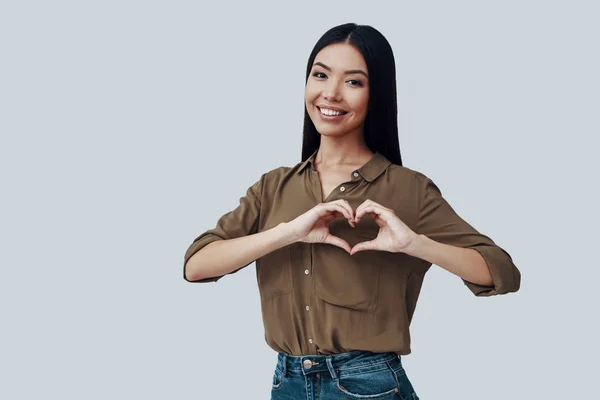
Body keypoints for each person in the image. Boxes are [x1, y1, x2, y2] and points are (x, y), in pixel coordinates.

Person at [183, 23, 521, 400]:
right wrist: (287, 232)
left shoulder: (408, 189)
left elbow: (502, 272)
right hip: (287, 383)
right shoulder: (274, 186)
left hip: (367, 385)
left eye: (353, 82)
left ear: (376, 94)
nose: (330, 93)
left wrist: (416, 244)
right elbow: (196, 266)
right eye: (320, 74)